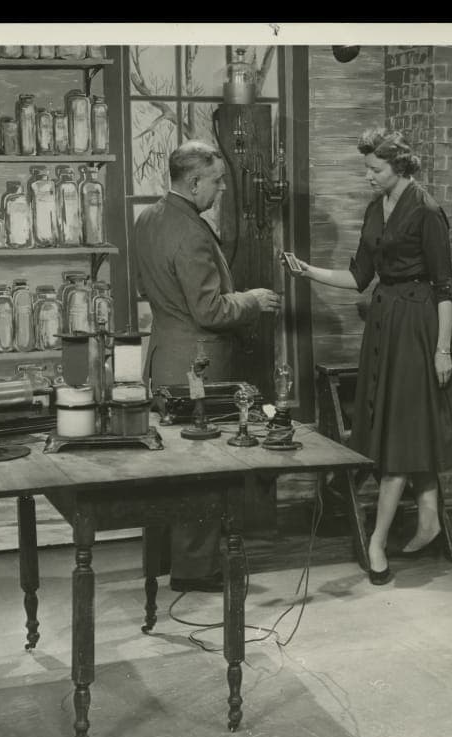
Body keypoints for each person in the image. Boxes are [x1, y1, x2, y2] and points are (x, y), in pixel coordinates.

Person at [287, 128, 452, 585]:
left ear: (400, 167)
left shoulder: (427, 212)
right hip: (385, 326)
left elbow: (446, 289)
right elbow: (358, 277)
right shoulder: (376, 209)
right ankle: (426, 515)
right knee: (403, 427)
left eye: (375, 169)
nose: (367, 176)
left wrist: (442, 350)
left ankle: (377, 540)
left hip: (419, 326)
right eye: (366, 168)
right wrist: (308, 271)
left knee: (400, 435)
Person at [135, 140, 280, 592]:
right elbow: (209, 310)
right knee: (202, 469)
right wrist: (252, 301)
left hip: (164, 359)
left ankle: (165, 561)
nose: (219, 191)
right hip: (198, 365)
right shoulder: (192, 231)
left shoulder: (149, 219)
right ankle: (196, 570)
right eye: (216, 182)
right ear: (194, 181)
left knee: (169, 473)